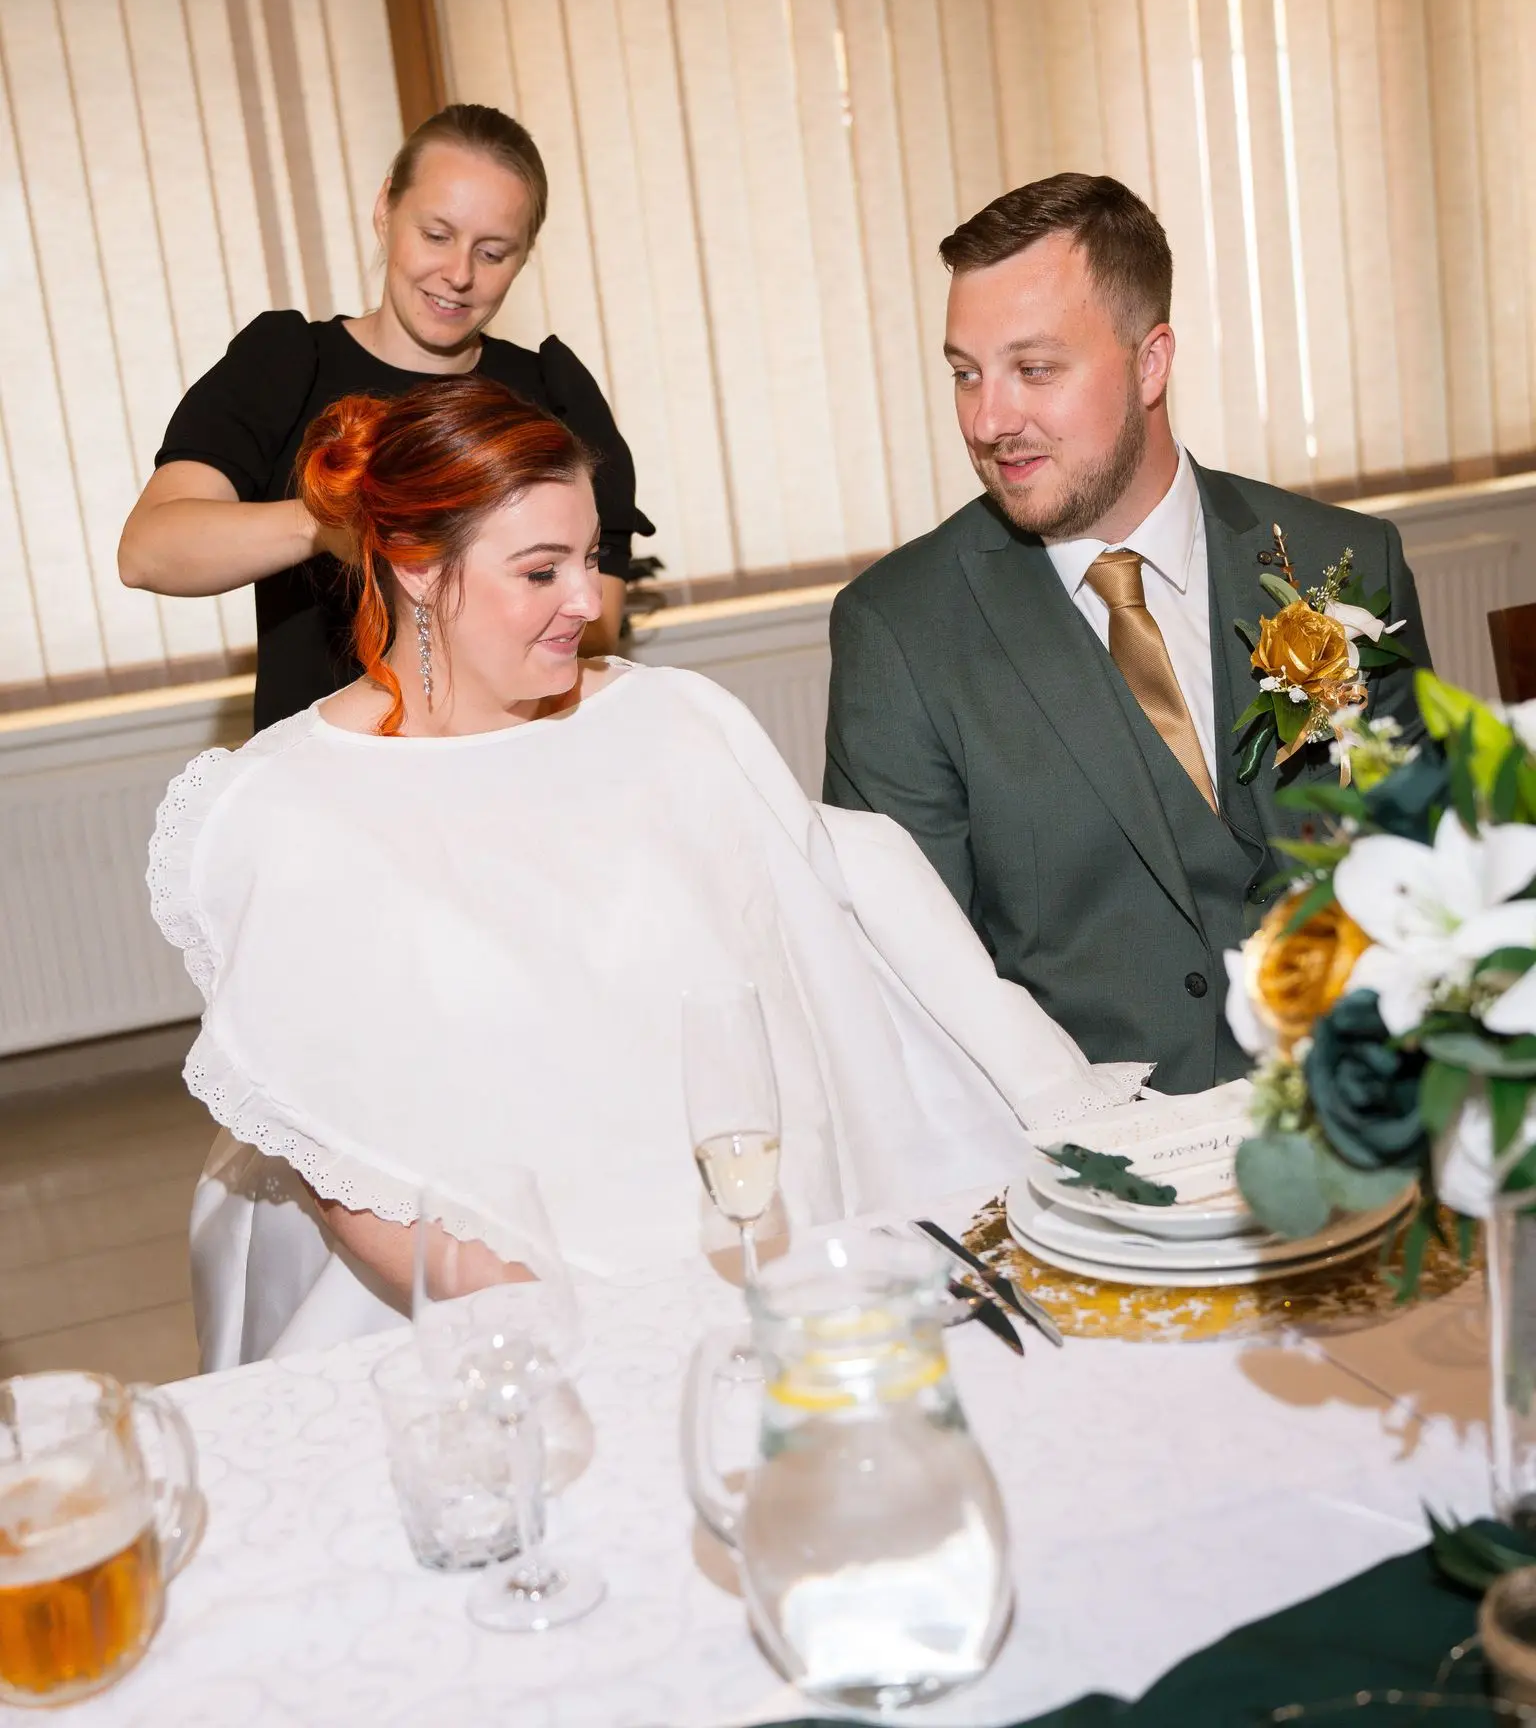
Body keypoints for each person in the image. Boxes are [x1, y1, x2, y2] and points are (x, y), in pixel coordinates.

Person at [148, 378, 1103, 1370]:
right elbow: (348, 1167)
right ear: (418, 568)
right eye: (540, 570)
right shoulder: (291, 813)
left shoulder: (675, 723)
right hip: (479, 1297)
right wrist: (591, 1335)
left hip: (743, 1244)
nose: (587, 600)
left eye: (591, 558)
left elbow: (809, 1030)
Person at [824, 173, 1431, 1098]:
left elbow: (1422, 868)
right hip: (1096, 1162)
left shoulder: (1342, 562)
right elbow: (911, 1001)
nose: (988, 420)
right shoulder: (900, 633)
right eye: (965, 373)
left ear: (1151, 364)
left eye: (1035, 369)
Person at [119, 103, 652, 732]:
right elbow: (148, 551)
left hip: (503, 756)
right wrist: (329, 526)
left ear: (524, 255)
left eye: (492, 252)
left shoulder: (552, 396)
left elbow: (595, 623)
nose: (458, 274)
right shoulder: (287, 365)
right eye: (436, 235)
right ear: (384, 210)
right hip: (327, 768)